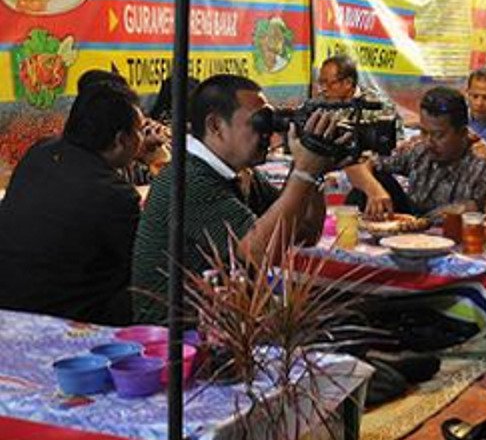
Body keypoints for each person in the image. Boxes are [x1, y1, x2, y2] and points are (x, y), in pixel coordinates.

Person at [131, 74, 345, 323]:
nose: (268, 134)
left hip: (225, 322)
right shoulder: (187, 179)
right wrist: (304, 172)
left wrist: (313, 172)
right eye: (260, 122)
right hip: (176, 338)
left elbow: (303, 234)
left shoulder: (242, 174)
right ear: (215, 126)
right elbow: (260, 253)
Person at [0, 81, 144, 324]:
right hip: (65, 319)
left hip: (7, 302)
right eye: (139, 131)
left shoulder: (39, 153)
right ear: (120, 140)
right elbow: (142, 264)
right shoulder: (116, 196)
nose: (142, 138)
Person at [347, 87, 486, 220]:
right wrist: (374, 190)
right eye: (423, 131)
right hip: (410, 229)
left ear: (462, 132)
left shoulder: (483, 166)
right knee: (369, 184)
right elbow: (356, 164)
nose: (428, 141)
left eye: (438, 135)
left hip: (454, 239)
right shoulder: (419, 149)